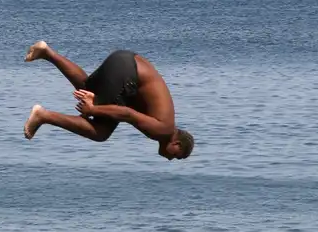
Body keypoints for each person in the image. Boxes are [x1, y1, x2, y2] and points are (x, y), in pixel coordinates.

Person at [22, 41, 194, 160]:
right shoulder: (163, 131)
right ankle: (43, 115)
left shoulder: (166, 123)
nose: (171, 158)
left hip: (125, 60)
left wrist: (97, 103)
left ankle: (47, 52)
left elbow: (128, 109)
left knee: (87, 89)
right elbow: (128, 114)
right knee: (100, 132)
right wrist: (93, 110)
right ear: (176, 143)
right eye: (176, 156)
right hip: (129, 75)